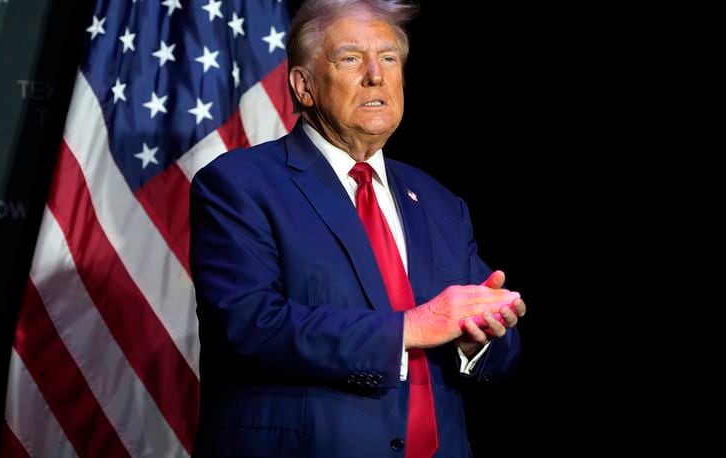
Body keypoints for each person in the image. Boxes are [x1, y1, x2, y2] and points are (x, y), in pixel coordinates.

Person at [190, 0, 526, 456]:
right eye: (350, 58)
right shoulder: (240, 184)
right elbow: (250, 325)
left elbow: (501, 354)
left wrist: (477, 338)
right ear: (303, 86)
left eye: (389, 58)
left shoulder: (441, 204)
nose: (376, 75)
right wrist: (412, 327)